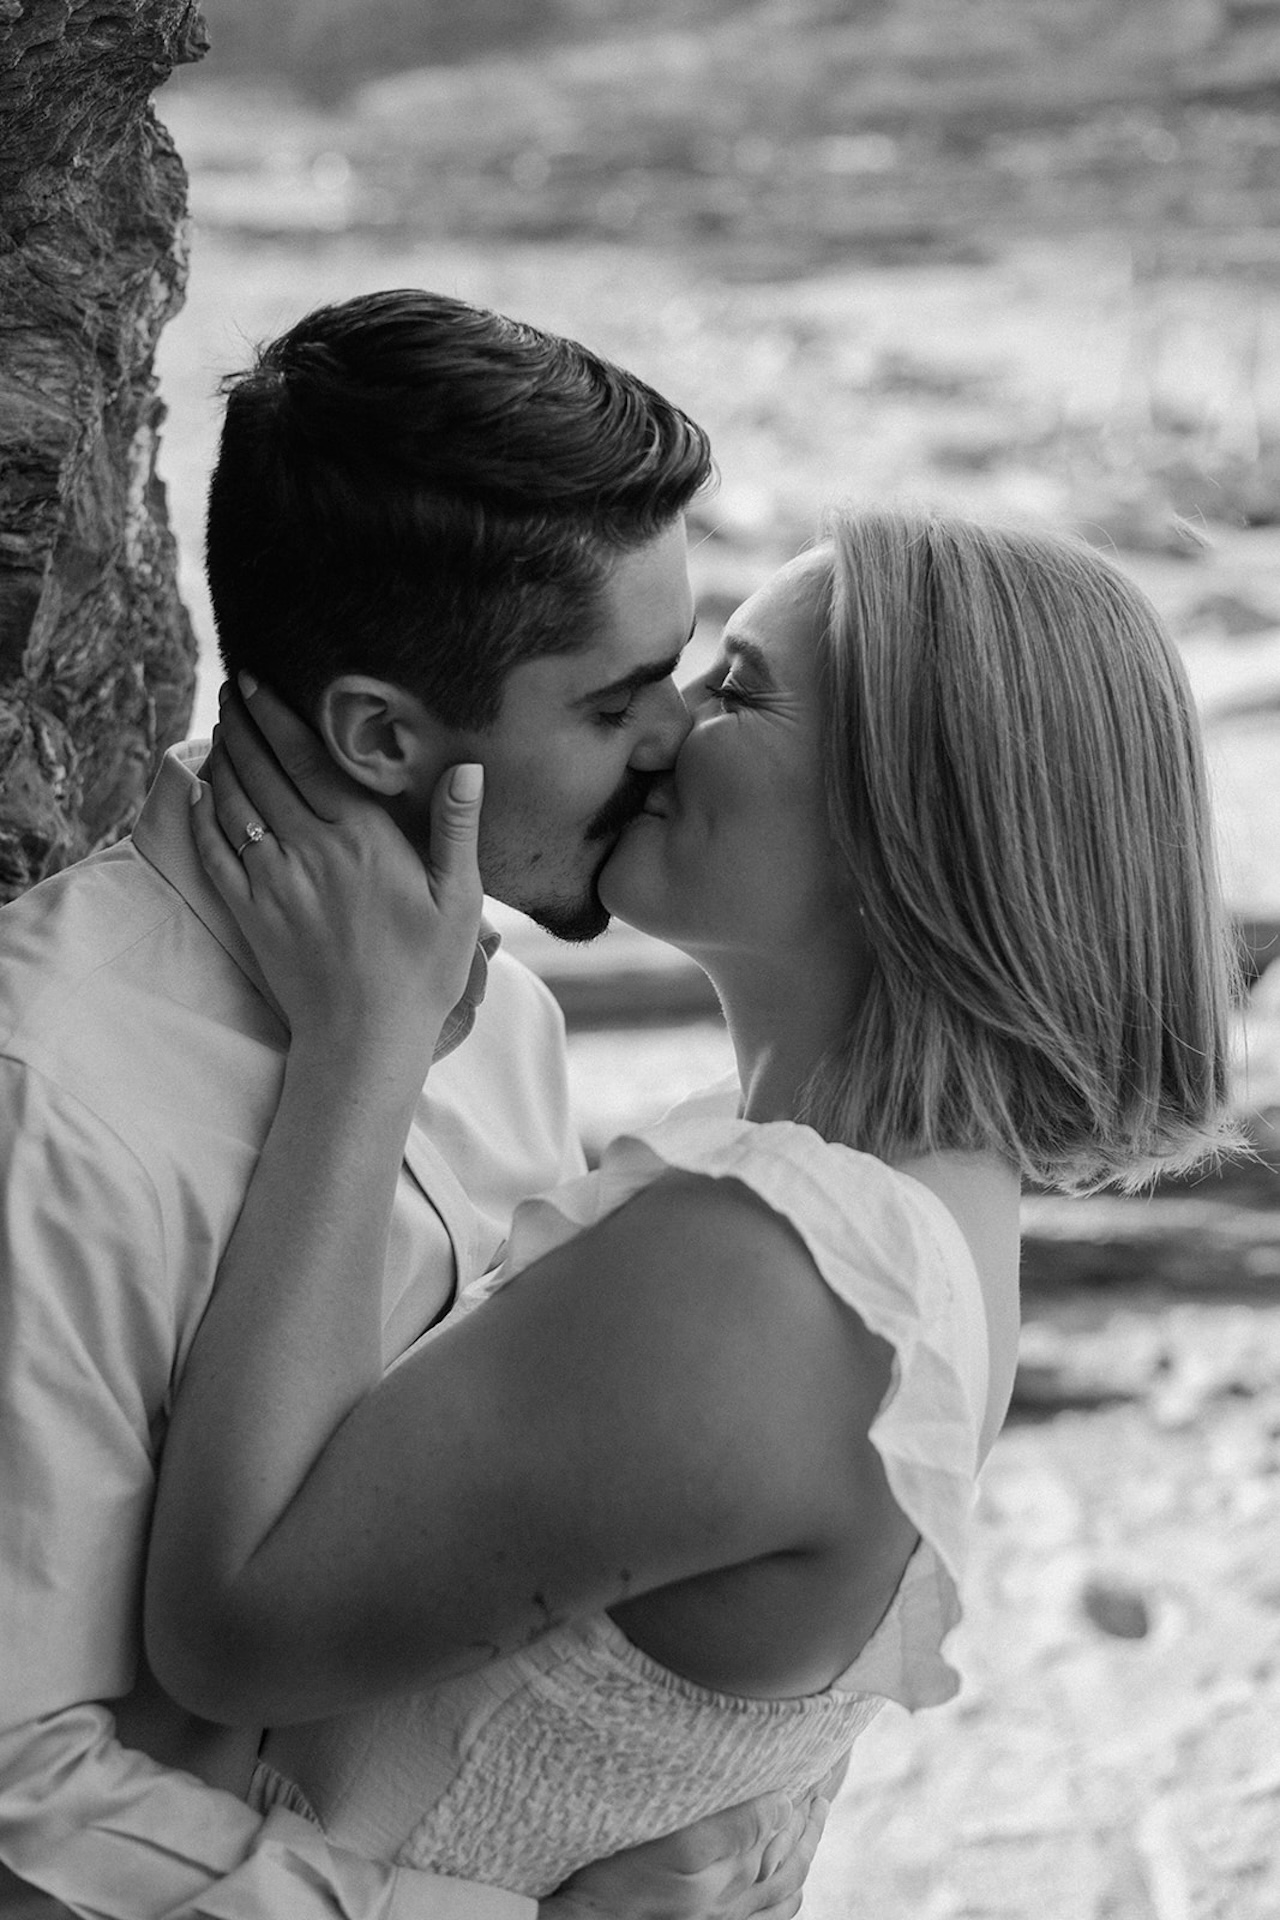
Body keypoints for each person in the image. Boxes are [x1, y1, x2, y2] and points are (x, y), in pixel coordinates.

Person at [144, 508, 1240, 1894]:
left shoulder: (762, 1270)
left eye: (740, 688)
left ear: (907, 824)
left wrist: (357, 1045)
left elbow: (231, 1631)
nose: (660, 728)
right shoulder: (921, 1212)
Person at [0, 289, 825, 1918]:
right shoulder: (49, 1097)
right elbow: (20, 1783)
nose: (673, 743)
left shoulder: (500, 1011)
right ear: (385, 733)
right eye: (611, 702)